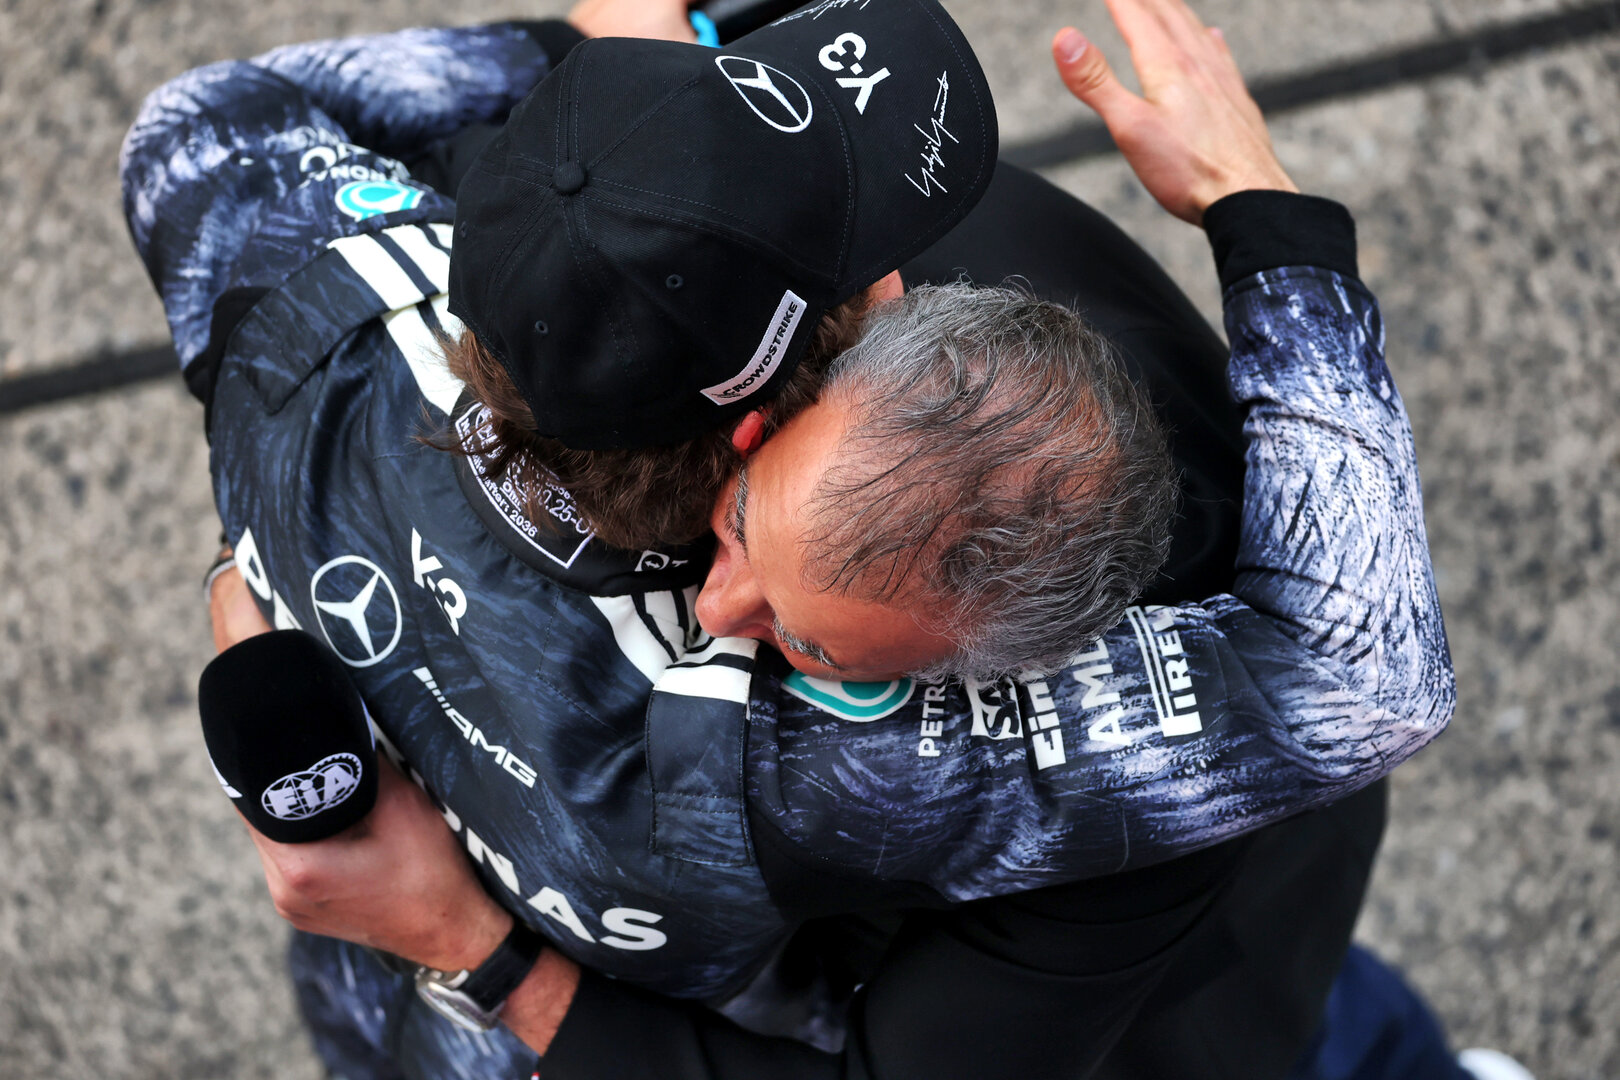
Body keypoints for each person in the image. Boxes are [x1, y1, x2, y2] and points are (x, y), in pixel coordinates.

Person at [122, 0, 1461, 1076]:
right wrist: (1259, 209)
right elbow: (1350, 677)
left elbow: (196, 121)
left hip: (384, 1011)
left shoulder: (261, 256)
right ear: (791, 405)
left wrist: (629, 121)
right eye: (867, 240)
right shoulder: (800, 761)